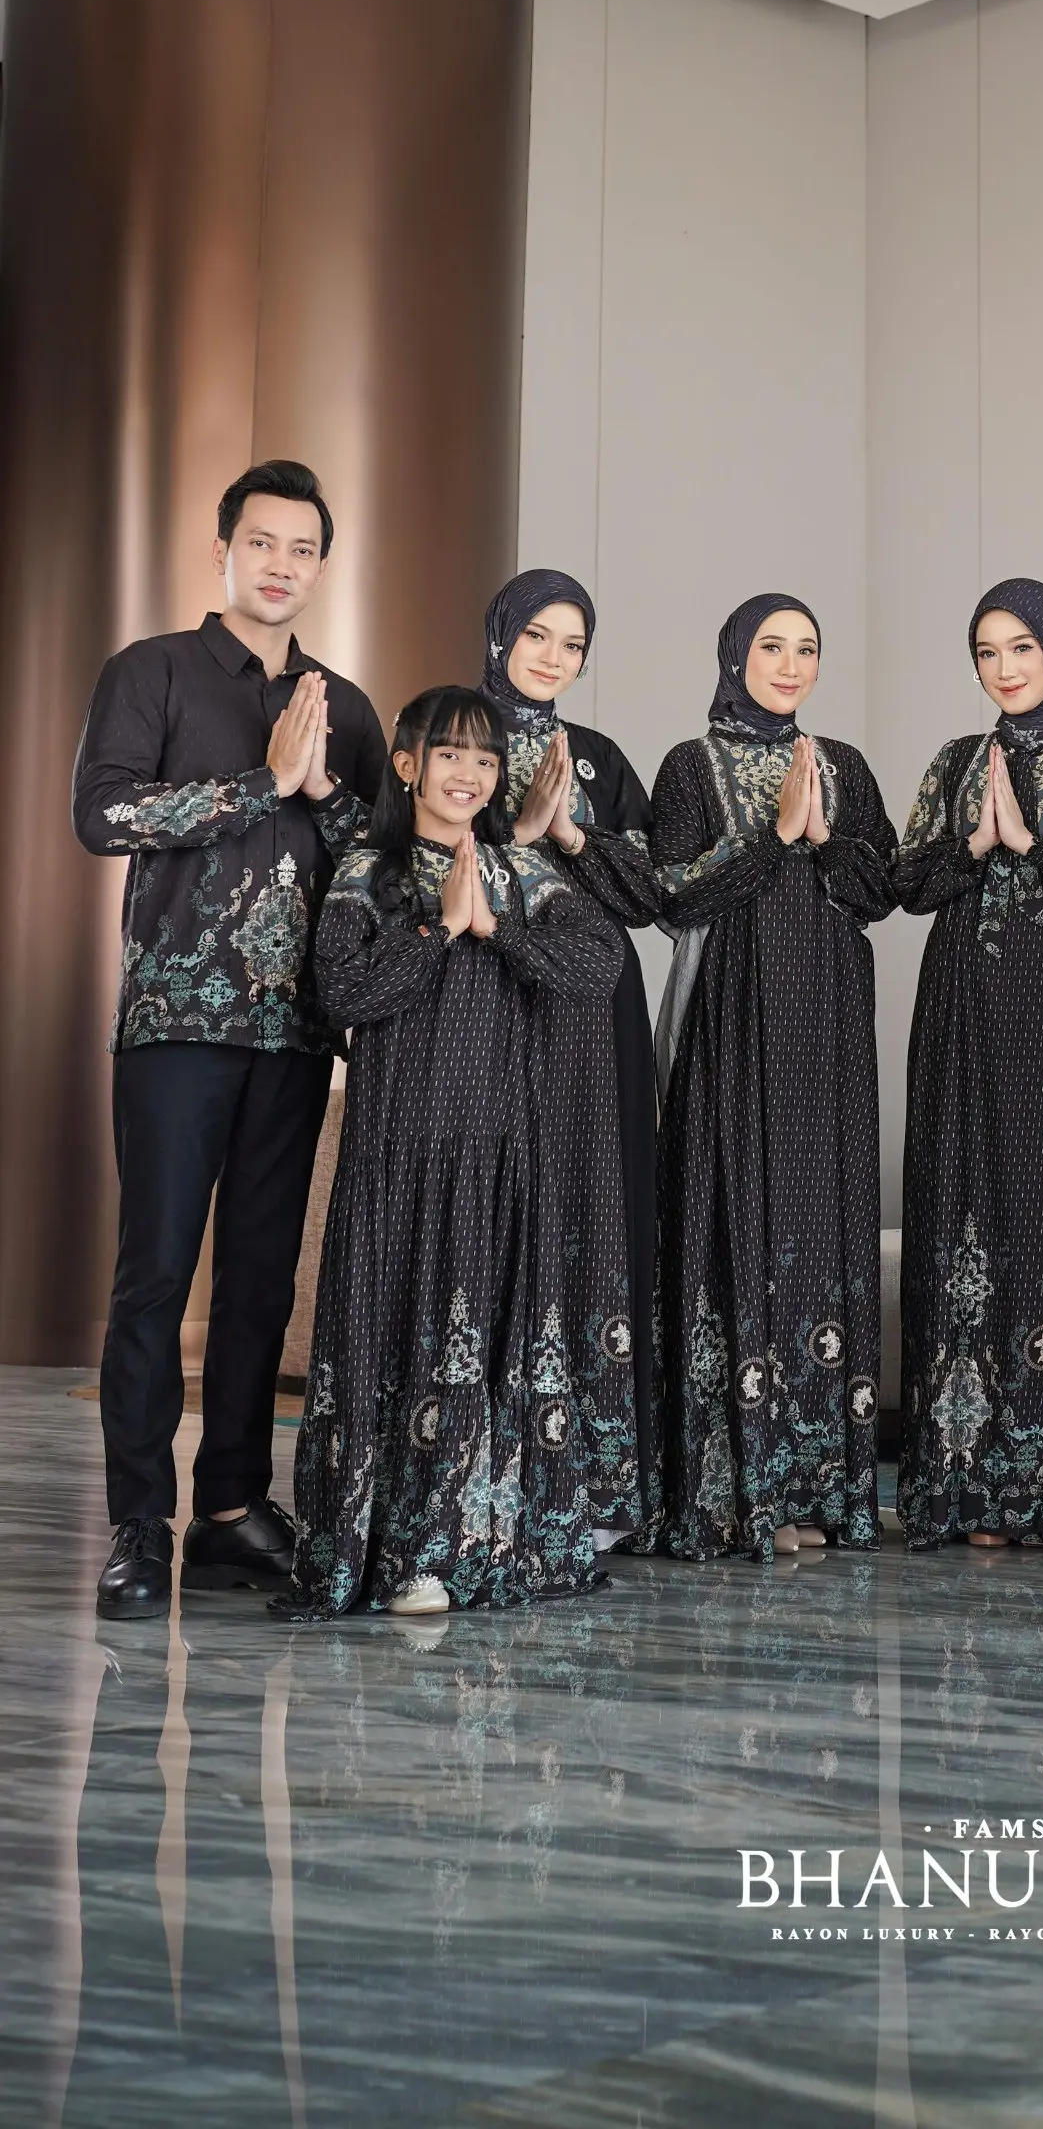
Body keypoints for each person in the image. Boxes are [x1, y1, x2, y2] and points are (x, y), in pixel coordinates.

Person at [72, 460, 386, 1622]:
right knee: (156, 1271)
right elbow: (103, 812)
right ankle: (137, 1524)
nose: (281, 565)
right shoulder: (150, 670)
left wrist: (323, 791)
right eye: (262, 542)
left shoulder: (347, 706)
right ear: (223, 550)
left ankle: (231, 1510)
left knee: (260, 1280)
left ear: (320, 565)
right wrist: (261, 785)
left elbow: (376, 856)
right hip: (174, 1022)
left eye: (302, 549)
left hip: (295, 1032)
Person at [280, 686, 625, 1617]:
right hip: (399, 1151)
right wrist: (437, 927)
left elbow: (600, 963)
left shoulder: (520, 870)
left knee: (482, 1341)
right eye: (449, 754)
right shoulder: (371, 868)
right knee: (395, 1337)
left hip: (500, 1147)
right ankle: (397, 1554)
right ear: (407, 766)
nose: (469, 773)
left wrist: (494, 929)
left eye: (485, 758)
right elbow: (343, 993)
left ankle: (470, 1542)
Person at [642, 596, 896, 1561]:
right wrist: (770, 837)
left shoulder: (846, 767)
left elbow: (883, 890)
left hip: (828, 1026)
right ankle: (736, 1491)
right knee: (731, 1217)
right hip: (732, 1021)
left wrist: (824, 840)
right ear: (735, 657)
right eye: (771, 647)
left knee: (823, 1226)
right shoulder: (690, 765)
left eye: (807, 650)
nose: (790, 665)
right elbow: (670, 894)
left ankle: (820, 1486)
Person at [895, 578, 1043, 1552]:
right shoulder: (956, 760)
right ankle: (966, 1487)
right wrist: (974, 843)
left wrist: (1029, 845)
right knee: (959, 1201)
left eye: (1021, 649)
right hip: (957, 1009)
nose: (1003, 669)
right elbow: (905, 881)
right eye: (986, 653)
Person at [482, 567, 659, 1541]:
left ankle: (590, 1482)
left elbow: (652, 894)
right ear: (500, 633)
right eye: (537, 635)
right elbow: (418, 858)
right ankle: (487, 1475)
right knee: (498, 1207)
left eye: (573, 644)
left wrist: (576, 837)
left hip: (594, 1016)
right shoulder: (455, 735)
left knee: (594, 1204)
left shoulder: (598, 757)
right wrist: (517, 833)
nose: (553, 658)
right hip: (492, 1005)